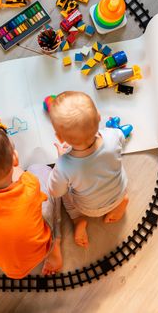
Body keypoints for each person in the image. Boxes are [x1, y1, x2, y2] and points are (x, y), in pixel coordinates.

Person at [0, 124, 62, 278]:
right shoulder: (30, 184)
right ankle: (55, 248)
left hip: (7, 266)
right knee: (39, 170)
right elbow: (19, 174)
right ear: (15, 158)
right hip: (41, 249)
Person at [47, 91, 130, 248]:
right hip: (119, 192)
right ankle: (122, 202)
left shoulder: (64, 165)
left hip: (89, 209)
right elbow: (121, 135)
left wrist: (60, 158)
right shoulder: (112, 136)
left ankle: (77, 219)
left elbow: (54, 191)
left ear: (59, 137)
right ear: (99, 117)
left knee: (65, 195)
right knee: (113, 163)